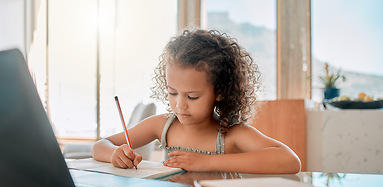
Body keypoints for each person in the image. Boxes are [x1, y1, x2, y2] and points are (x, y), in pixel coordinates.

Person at [91, 29, 301, 174]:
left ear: (219, 92)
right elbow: (100, 146)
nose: (180, 105)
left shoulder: (231, 134)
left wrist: (208, 162)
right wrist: (114, 154)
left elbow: (290, 161)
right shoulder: (162, 126)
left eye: (192, 97)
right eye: (173, 93)